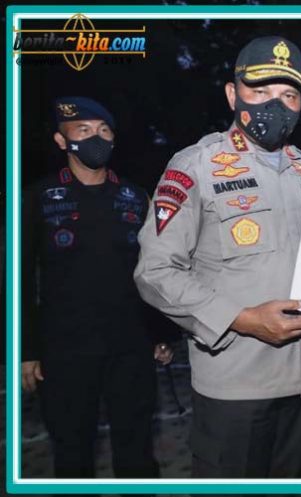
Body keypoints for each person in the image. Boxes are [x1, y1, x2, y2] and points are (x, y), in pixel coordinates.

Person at [134, 37, 301, 478]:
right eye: (260, 91)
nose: (276, 105)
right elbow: (155, 272)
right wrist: (240, 319)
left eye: (289, 95)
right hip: (237, 382)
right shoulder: (196, 165)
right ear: (232, 94)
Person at [21, 96, 173, 478]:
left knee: (137, 451)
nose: (96, 138)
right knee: (72, 452)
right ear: (62, 140)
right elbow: (20, 278)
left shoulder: (136, 197)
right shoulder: (38, 198)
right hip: (65, 348)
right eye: (84, 130)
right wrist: (26, 350)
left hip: (131, 345)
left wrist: (159, 333)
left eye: (104, 130)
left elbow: (153, 269)